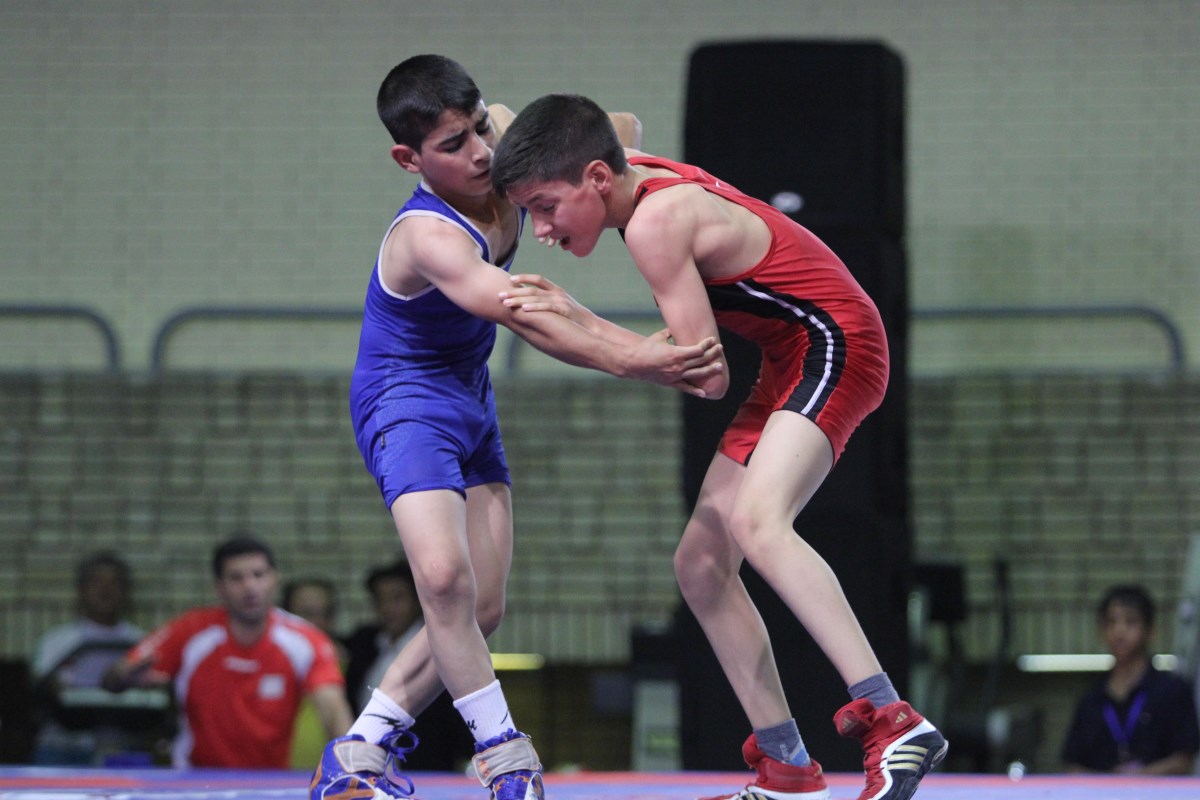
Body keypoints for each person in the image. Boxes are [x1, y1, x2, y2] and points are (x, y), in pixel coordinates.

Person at [491, 93, 949, 800]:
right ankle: (787, 768)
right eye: (530, 212)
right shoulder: (618, 157)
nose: (541, 230)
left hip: (838, 344)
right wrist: (501, 132)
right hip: (788, 356)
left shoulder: (655, 224)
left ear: (598, 179)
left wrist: (583, 321)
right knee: (701, 566)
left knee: (759, 523)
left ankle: (894, 721)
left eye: (546, 207)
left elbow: (706, 377)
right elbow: (619, 122)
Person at [309, 54, 723, 800]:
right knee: (444, 580)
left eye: (479, 128)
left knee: (483, 608)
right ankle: (505, 757)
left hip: (470, 397)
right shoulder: (425, 235)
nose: (479, 153)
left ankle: (359, 749)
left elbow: (619, 129)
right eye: (453, 145)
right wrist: (636, 359)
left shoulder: (501, 139)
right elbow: (524, 314)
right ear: (408, 159)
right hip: (405, 402)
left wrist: (599, 169)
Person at [103, 535, 354, 769]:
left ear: (274, 579)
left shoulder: (305, 640)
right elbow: (112, 679)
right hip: (193, 779)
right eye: (236, 578)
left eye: (258, 575)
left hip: (271, 782)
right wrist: (124, 677)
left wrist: (352, 771)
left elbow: (333, 711)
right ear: (219, 587)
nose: (250, 587)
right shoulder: (189, 632)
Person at [342, 559, 472, 771]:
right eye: (380, 600)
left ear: (417, 600)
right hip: (365, 767)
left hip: (425, 770)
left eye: (397, 598)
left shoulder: (440, 647)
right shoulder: (364, 644)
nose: (387, 608)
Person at [1061, 584, 1199, 775]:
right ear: (1102, 630)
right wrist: (1106, 784)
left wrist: (1138, 778)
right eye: (1111, 622)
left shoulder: (1173, 691)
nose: (1120, 631)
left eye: (1131, 622)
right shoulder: (1091, 699)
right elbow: (1072, 764)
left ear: (1150, 631)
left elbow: (1183, 760)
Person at [31, 552, 145, 765]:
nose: (105, 590)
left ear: (125, 591)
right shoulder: (56, 642)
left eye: (114, 582)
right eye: (96, 582)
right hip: (62, 748)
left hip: (122, 747)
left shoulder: (142, 643)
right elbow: (43, 687)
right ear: (81, 590)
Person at [282, 577, 349, 769]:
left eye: (326, 613)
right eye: (308, 614)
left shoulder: (350, 660)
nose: (319, 622)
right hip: (275, 774)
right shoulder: (271, 659)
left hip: (334, 774)